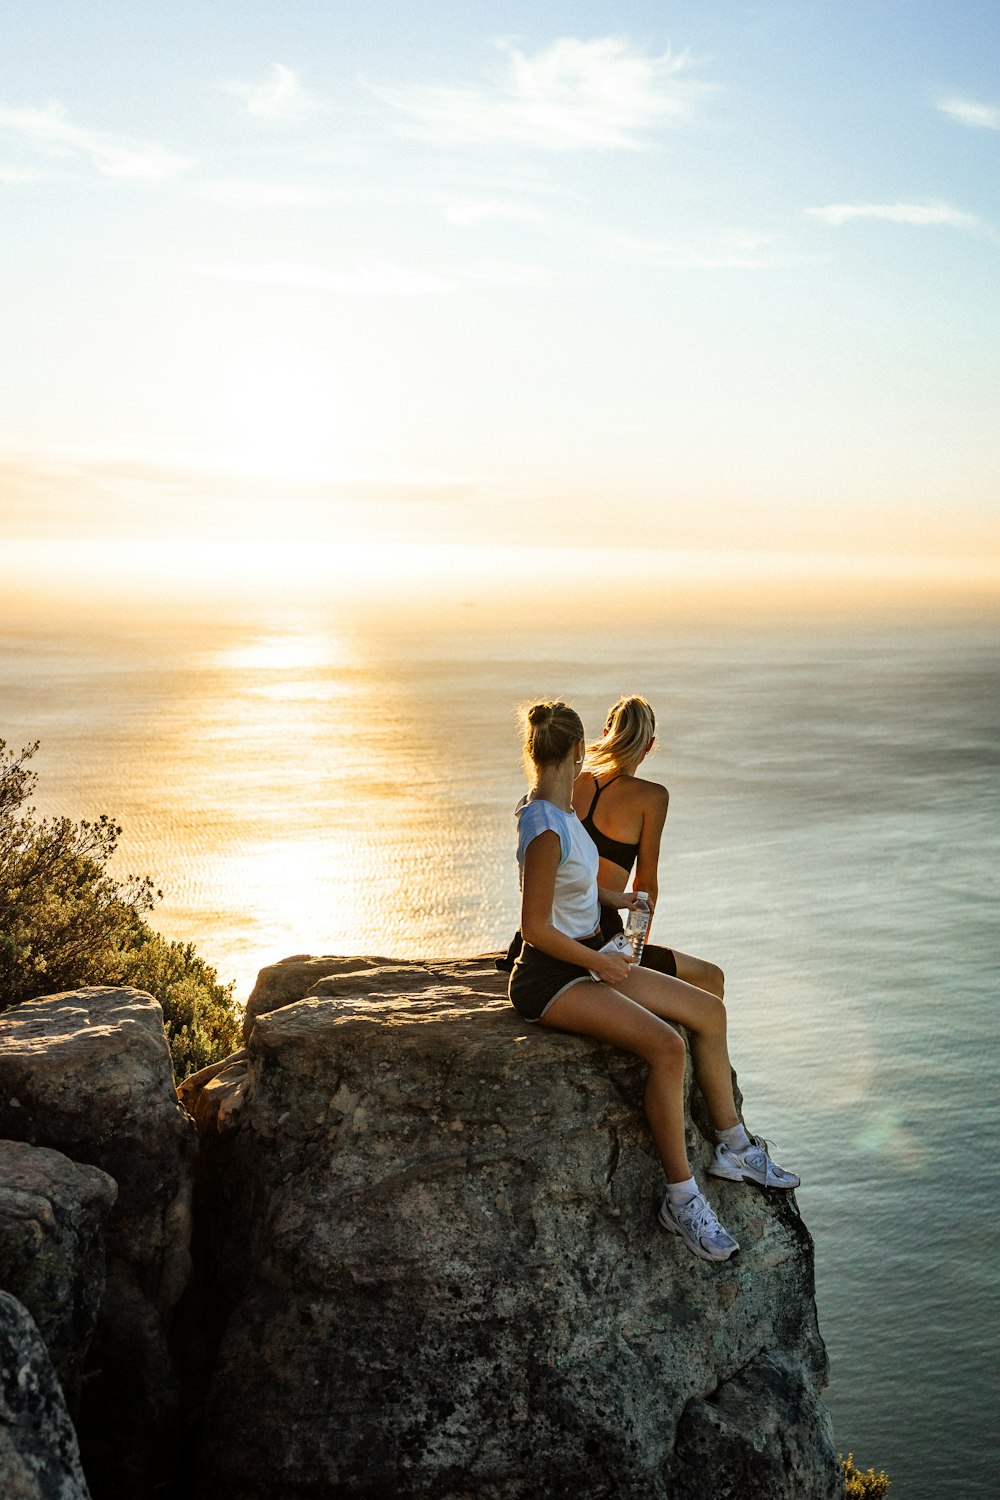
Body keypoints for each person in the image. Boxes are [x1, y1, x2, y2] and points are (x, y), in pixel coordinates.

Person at [508, 699, 798, 1264]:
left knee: (708, 1011)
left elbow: (574, 888)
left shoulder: (561, 810)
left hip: (591, 955)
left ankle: (734, 1148)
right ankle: (682, 1199)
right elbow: (534, 928)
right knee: (667, 1047)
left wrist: (616, 898)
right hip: (551, 978)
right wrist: (605, 963)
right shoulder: (543, 825)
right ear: (575, 751)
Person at [573, 694, 723, 997]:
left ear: (606, 735)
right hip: (601, 933)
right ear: (649, 746)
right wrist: (633, 949)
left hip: (563, 924)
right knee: (712, 978)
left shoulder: (574, 781)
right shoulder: (652, 797)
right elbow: (645, 885)